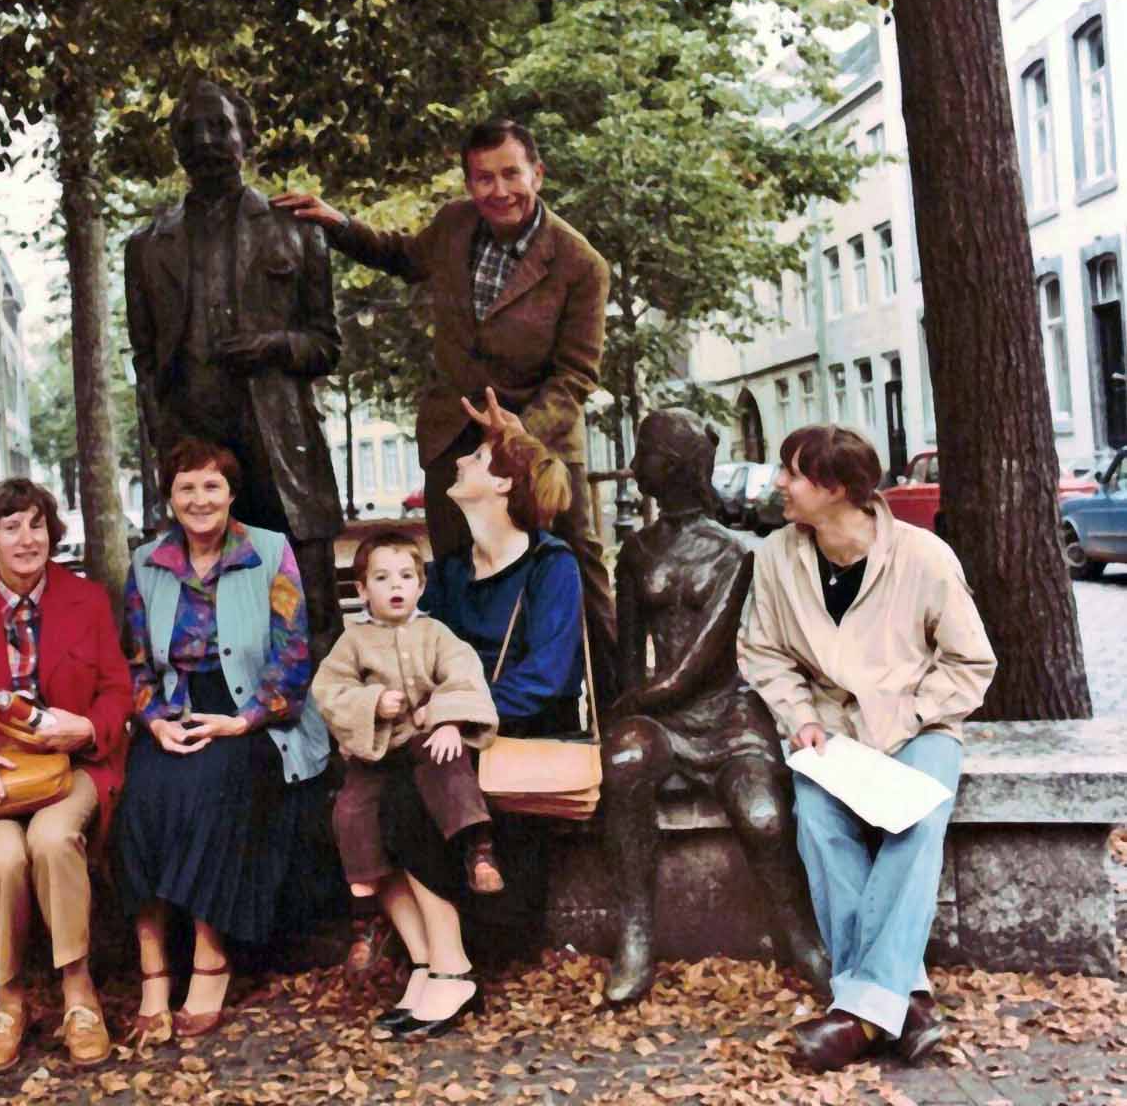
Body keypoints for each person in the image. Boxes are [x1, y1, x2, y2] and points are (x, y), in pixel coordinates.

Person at [272, 118, 616, 705]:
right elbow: (401, 255)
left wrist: (518, 433)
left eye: (511, 174)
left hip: (540, 442)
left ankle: (613, 703)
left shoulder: (581, 264)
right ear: (468, 182)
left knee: (577, 565)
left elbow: (577, 374)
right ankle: (459, 702)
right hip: (454, 438)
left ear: (537, 173)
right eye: (483, 178)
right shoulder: (455, 225)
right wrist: (338, 224)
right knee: (456, 572)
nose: (499, 191)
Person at [739, 425, 996, 1072]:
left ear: (833, 488)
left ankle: (857, 1015)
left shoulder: (924, 556)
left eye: (791, 473)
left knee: (916, 823)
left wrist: (911, 716)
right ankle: (903, 1003)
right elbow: (762, 651)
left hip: (920, 725)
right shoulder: (775, 557)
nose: (778, 483)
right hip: (829, 733)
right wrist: (800, 717)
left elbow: (969, 661)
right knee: (818, 824)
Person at [358, 404, 585, 1040]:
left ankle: (451, 970)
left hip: (517, 734)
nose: (460, 460)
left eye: (479, 458)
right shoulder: (453, 573)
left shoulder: (551, 566)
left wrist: (458, 715)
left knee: (406, 794)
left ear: (505, 484)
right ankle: (429, 962)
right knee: (364, 792)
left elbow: (547, 677)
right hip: (444, 734)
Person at [603, 410, 828, 1005]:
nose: (634, 465)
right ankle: (635, 935)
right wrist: (625, 718)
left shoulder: (735, 552)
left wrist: (637, 700)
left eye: (646, 453)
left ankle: (803, 938)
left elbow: (695, 665)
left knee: (763, 816)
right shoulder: (636, 551)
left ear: (675, 466)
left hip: (727, 714)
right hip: (661, 717)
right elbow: (628, 657)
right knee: (625, 762)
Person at [0, 479, 132, 1073]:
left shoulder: (87, 600)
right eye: (11, 527)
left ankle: (78, 993)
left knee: (53, 839)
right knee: (4, 857)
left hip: (73, 766)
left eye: (37, 524)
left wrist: (86, 727)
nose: (27, 539)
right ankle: (9, 999)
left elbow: (118, 690)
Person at [115, 438, 331, 1041]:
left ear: (232, 493)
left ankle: (210, 958)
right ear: (169, 498)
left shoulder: (270, 551)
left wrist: (243, 720)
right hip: (176, 710)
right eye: (186, 487)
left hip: (251, 714)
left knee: (213, 787)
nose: (199, 499)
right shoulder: (147, 562)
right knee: (140, 796)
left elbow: (293, 657)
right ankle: (154, 971)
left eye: (212, 485)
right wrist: (154, 720)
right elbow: (135, 663)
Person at [125, 77, 343, 667]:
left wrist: (274, 345)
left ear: (246, 135)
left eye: (219, 126)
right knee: (209, 612)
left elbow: (326, 345)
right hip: (195, 443)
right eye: (191, 131)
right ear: (177, 147)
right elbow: (145, 361)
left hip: (279, 444)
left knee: (305, 607)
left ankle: (318, 718)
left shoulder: (295, 227)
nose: (206, 141)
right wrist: (165, 450)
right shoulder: (146, 247)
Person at [312, 530, 502, 902]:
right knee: (353, 804)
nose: (395, 586)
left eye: (406, 576)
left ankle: (478, 849)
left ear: (421, 585)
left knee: (452, 767)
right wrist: (372, 703)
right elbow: (329, 689)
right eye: (382, 578)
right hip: (378, 746)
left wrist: (448, 720)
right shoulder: (353, 642)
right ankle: (365, 873)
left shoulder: (435, 633)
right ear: (362, 590)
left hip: (425, 736)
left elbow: (463, 673)